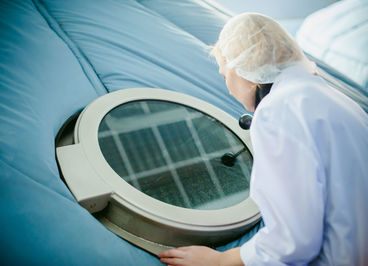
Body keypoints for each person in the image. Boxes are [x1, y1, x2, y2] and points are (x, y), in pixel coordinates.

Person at [158, 12, 368, 266]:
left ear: (243, 72)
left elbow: (293, 241)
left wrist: (221, 260)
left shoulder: (277, 112)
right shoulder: (339, 101)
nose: (227, 85)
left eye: (225, 75)